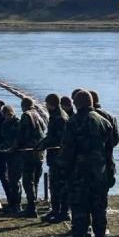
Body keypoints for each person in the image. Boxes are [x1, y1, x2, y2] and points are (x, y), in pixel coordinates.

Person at [60, 90, 116, 237]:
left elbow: (67, 151)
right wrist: (110, 173)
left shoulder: (73, 122)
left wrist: (63, 171)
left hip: (80, 175)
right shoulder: (104, 122)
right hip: (100, 174)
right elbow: (110, 151)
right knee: (99, 209)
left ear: (77, 104)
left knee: (79, 209)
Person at [41, 93, 70, 222]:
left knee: (61, 186)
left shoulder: (60, 118)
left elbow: (60, 139)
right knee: (53, 185)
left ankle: (64, 212)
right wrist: (41, 144)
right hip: (54, 158)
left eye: (47, 104)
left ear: (50, 104)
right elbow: (50, 135)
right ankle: (55, 209)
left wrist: (45, 144)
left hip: (60, 158)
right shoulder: (55, 116)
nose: (46, 106)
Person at [16, 97, 47, 217]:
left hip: (29, 153)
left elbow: (22, 134)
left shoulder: (26, 115)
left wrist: (14, 147)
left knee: (28, 181)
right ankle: (33, 205)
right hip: (40, 152)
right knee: (36, 180)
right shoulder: (39, 115)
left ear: (23, 106)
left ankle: (31, 208)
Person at [0, 104, 23, 214]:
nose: (7, 117)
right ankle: (12, 204)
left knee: (15, 180)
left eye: (8, 115)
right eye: (5, 115)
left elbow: (19, 139)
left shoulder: (18, 123)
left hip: (16, 155)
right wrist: (0, 148)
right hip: (8, 155)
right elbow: (5, 139)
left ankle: (17, 205)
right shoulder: (5, 124)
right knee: (11, 180)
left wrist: (12, 148)